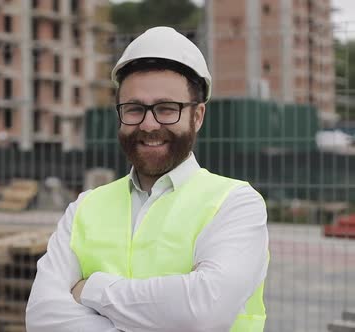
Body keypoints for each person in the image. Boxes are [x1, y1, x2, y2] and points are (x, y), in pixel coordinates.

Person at [25, 26, 269, 332]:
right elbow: (42, 318)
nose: (149, 124)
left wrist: (92, 290)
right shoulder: (85, 208)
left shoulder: (235, 204)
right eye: (135, 109)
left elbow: (204, 312)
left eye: (167, 109)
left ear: (198, 116)